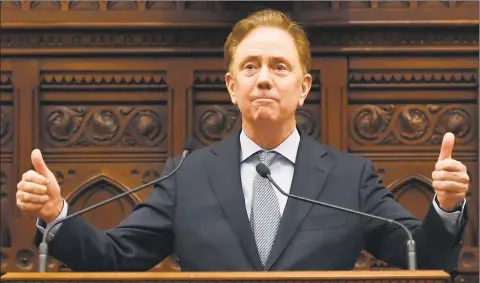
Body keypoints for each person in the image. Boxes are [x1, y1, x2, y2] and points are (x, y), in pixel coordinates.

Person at [16, 9, 469, 272]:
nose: (265, 80)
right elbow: (115, 257)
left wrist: (445, 208)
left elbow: (419, 257)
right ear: (232, 87)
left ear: (305, 86)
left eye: (279, 66)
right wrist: (57, 215)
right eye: (251, 67)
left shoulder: (349, 178)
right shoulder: (188, 174)